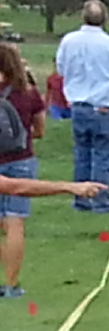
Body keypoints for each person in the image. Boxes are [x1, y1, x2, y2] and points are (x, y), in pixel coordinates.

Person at [55, 0, 109, 215]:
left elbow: (61, 68)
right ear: (105, 18)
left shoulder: (68, 41)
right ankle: (101, 201)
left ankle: (82, 199)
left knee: (82, 153)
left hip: (78, 105)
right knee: (103, 155)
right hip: (103, 106)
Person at [0, 43, 42, 298]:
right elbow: (40, 130)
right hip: (21, 159)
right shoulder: (28, 93)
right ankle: (12, 285)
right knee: (15, 223)